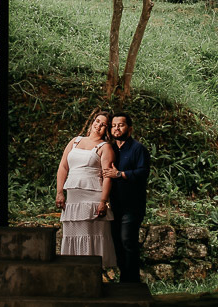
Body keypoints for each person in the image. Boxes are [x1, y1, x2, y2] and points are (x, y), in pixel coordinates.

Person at [55, 109, 117, 267]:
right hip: (73, 199)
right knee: (72, 234)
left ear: (107, 130)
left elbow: (107, 175)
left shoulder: (105, 147)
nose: (98, 126)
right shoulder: (75, 141)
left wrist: (103, 201)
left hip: (93, 198)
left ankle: (93, 273)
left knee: (91, 235)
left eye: (103, 125)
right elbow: (63, 166)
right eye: (97, 121)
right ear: (92, 121)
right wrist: (60, 192)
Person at [105, 113, 150, 283]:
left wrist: (120, 174)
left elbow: (143, 172)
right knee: (117, 242)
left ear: (129, 129)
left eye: (121, 125)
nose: (116, 128)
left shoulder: (138, 149)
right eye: (114, 125)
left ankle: (132, 282)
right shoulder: (110, 149)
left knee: (127, 241)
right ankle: (124, 280)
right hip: (114, 204)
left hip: (132, 205)